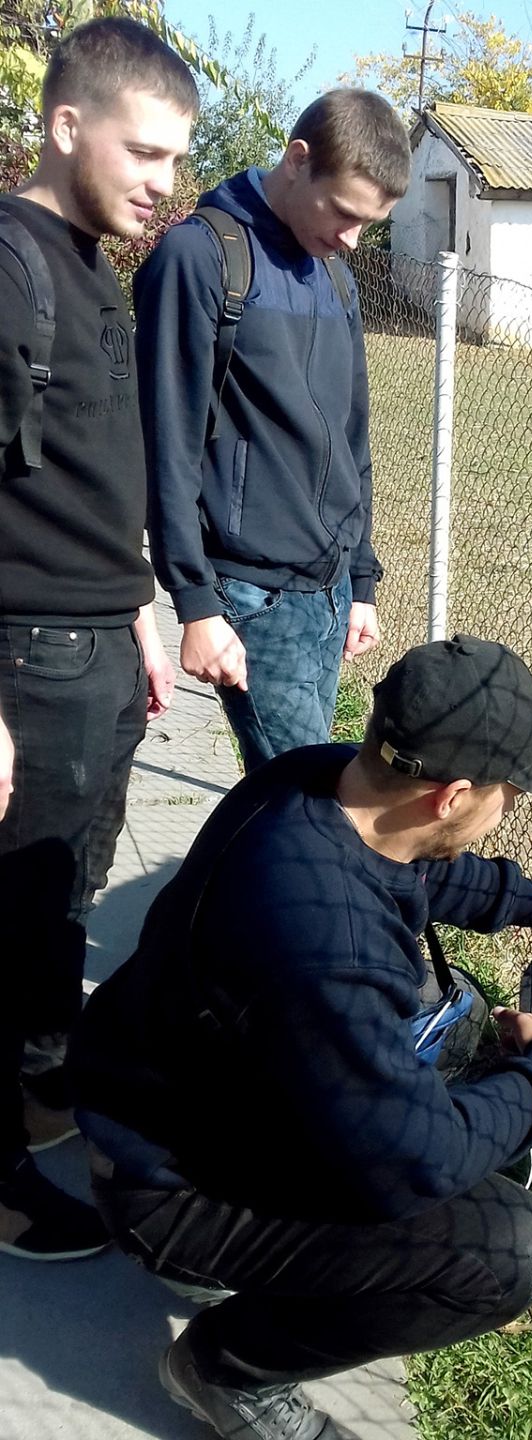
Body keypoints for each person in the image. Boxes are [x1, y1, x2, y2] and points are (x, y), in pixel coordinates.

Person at [69, 635, 532, 1440]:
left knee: (437, 1036)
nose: (510, 807)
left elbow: (421, 866)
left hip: (159, 1098)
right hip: (175, 1190)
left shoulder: (314, 779)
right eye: (511, 792)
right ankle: (226, 1367)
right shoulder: (330, 951)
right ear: (451, 797)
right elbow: (416, 1165)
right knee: (504, 1250)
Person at [0, 18, 197, 1262]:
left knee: (60, 899)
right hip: (25, 659)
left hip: (97, 641)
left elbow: (76, 467)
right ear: (68, 125)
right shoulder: (7, 266)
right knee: (11, 917)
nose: (163, 183)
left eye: (176, 160)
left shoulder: (84, 262)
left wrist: (137, 603)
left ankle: (37, 1089)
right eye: (146, 152)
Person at [135, 88, 411, 773]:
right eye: (344, 212)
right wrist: (195, 605)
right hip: (250, 593)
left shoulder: (335, 275)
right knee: (309, 798)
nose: (351, 239)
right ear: (297, 159)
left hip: (330, 587)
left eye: (369, 223)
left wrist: (361, 580)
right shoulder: (199, 258)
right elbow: (166, 448)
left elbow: (351, 437)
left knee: (291, 796)